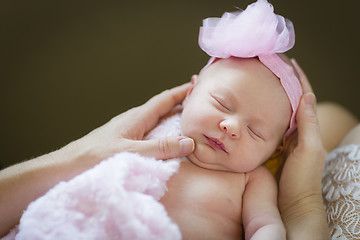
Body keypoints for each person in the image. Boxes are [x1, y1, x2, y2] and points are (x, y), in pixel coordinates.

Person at [0, 1, 331, 240]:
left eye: (256, 132)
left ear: (274, 151)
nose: (231, 126)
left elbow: (264, 225)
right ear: (190, 92)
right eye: (221, 103)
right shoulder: (149, 133)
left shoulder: (252, 179)